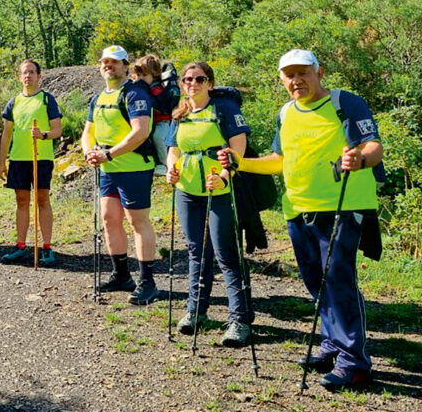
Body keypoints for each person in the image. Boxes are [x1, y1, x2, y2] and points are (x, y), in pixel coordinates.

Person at [220, 49, 382, 392]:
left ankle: (354, 363)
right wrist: (240, 162)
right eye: (289, 75)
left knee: (337, 279)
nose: (296, 80)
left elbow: (372, 147)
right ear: (281, 79)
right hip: (297, 208)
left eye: (303, 72)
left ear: (319, 72)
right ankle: (332, 345)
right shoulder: (286, 112)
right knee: (315, 280)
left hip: (342, 205)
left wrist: (360, 160)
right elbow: (279, 160)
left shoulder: (344, 102)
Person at [164, 62, 253, 347]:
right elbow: (173, 148)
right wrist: (171, 168)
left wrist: (226, 176)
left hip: (219, 189)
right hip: (187, 189)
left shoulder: (224, 109)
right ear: (181, 83)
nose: (193, 83)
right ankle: (195, 310)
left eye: (199, 79)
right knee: (196, 250)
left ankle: (239, 319)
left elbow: (238, 145)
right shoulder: (180, 112)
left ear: (210, 83)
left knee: (225, 253)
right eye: (188, 79)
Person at [82, 45, 159, 305]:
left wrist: (110, 153)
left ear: (126, 66)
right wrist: (88, 152)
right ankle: (122, 274)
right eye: (105, 61)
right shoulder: (98, 97)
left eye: (114, 62)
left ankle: (147, 281)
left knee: (138, 222)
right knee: (109, 219)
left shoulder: (135, 93)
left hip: (133, 167)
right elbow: (88, 132)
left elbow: (140, 131)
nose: (108, 66)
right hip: (108, 169)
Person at [0, 59, 63, 266]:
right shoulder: (14, 102)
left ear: (39, 76)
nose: (28, 76)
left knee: (42, 200)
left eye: (32, 72)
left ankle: (46, 247)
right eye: (24, 73)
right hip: (18, 159)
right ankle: (20, 245)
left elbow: (57, 130)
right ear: (19, 77)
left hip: (41, 158)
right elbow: (6, 134)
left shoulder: (47, 100)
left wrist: (43, 135)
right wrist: (2, 162)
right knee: (21, 201)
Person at [132, 54, 180, 175]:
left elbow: (159, 106)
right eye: (138, 75)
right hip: (154, 121)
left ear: (154, 75)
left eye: (144, 75)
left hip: (163, 121)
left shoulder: (156, 90)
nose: (140, 78)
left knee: (158, 137)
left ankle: (166, 164)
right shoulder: (143, 88)